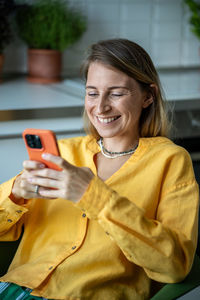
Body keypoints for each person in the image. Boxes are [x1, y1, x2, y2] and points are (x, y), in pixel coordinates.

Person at [0, 38, 199, 300]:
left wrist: (94, 196)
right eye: (92, 92)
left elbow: (174, 266)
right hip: (11, 288)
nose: (101, 106)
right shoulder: (62, 153)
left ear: (148, 96)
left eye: (116, 93)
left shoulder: (170, 161)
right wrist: (14, 192)